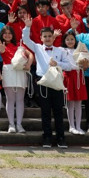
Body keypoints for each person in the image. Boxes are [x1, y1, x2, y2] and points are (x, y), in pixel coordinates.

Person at [22, 17, 74, 149]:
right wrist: (27, 27)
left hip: (56, 83)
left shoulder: (60, 50)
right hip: (43, 82)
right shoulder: (38, 48)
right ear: (41, 38)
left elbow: (69, 66)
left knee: (58, 111)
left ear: (53, 37)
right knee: (45, 111)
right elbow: (26, 40)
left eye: (50, 36)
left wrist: (58, 64)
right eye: (45, 36)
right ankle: (47, 137)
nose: (47, 38)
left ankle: (61, 138)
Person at [0, 26, 32, 134]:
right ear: (2, 35)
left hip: (20, 71)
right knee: (10, 99)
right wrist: (1, 49)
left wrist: (28, 65)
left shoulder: (19, 45)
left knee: (20, 99)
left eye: (9, 33)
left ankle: (19, 124)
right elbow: (0, 50)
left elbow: (30, 55)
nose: (7, 35)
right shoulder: (1, 45)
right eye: (5, 33)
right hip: (8, 70)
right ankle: (11, 124)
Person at [62, 30, 88, 135]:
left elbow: (85, 66)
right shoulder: (63, 50)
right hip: (68, 77)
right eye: (67, 39)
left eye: (72, 39)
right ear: (64, 41)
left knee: (78, 103)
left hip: (79, 76)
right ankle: (71, 126)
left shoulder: (80, 50)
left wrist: (85, 65)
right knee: (70, 103)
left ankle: (78, 126)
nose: (70, 41)